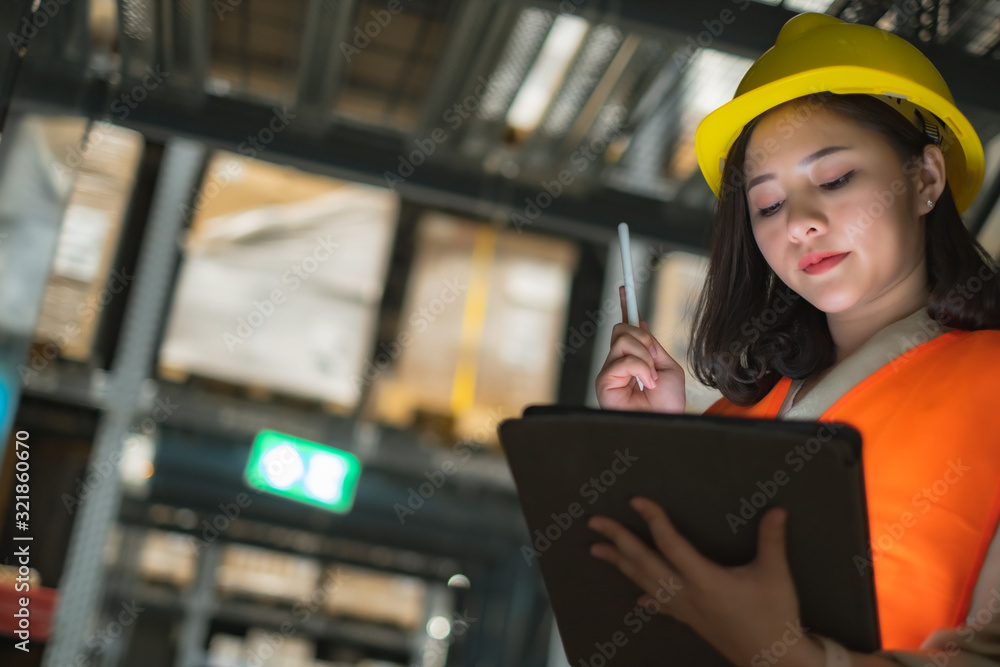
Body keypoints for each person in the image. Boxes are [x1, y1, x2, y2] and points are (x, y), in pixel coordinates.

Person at [591, 12, 1000, 667]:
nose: (802, 223)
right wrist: (654, 453)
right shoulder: (734, 418)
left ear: (925, 179)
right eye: (769, 204)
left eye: (835, 180)